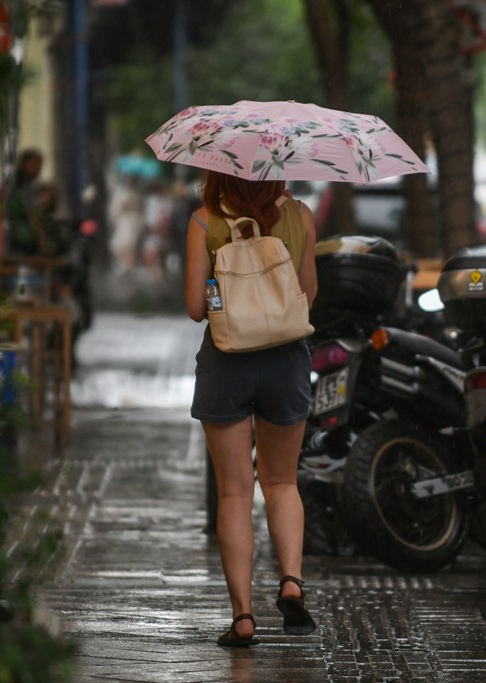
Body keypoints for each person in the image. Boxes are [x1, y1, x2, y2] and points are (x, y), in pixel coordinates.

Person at [185, 170, 319, 647]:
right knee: (282, 482)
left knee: (235, 493)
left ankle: (243, 616)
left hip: (227, 360)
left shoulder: (204, 221)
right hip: (286, 361)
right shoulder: (301, 217)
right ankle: (290, 580)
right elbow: (309, 296)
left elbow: (195, 308)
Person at [4, 149, 47, 256]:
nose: (38, 168)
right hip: (21, 239)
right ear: (25, 163)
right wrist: (41, 241)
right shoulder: (25, 185)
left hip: (8, 236)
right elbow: (32, 214)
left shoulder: (12, 181)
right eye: (36, 164)